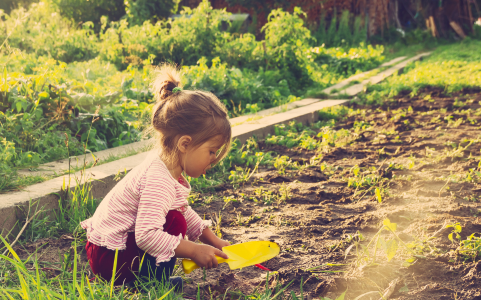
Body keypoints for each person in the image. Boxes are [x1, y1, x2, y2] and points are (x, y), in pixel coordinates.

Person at [81, 64, 232, 290]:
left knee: (175, 217)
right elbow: (146, 236)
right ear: (185, 144)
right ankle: (147, 284)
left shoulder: (166, 167)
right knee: (174, 222)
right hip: (110, 259)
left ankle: (146, 278)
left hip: (111, 253)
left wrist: (213, 241)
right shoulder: (158, 179)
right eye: (211, 151)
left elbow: (181, 208)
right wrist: (193, 250)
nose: (213, 159)